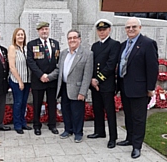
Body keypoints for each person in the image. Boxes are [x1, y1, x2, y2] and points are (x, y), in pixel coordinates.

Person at [117, 17, 158, 158]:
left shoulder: (147, 44)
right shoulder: (123, 45)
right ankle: (129, 138)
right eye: (128, 27)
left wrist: (150, 88)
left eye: (134, 26)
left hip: (140, 89)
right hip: (125, 87)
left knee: (139, 118)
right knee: (128, 115)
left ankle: (137, 146)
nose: (131, 29)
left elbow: (152, 68)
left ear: (140, 28)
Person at [48, 29, 93, 143]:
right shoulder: (63, 53)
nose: (72, 40)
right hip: (64, 87)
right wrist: (48, 76)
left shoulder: (87, 54)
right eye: (69, 38)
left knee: (77, 112)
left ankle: (78, 133)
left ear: (79, 39)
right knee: (66, 110)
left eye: (74, 37)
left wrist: (83, 92)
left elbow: (87, 75)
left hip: (77, 89)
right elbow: (59, 69)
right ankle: (68, 130)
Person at [87, 19, 120, 149]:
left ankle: (113, 137)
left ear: (109, 30)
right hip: (95, 84)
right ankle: (99, 131)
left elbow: (111, 65)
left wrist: (98, 79)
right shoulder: (95, 46)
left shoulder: (114, 44)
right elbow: (92, 64)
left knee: (110, 111)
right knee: (97, 108)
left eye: (104, 30)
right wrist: (92, 80)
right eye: (99, 30)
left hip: (106, 84)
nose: (101, 32)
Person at [27, 21, 60, 136]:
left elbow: (57, 61)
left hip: (52, 80)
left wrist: (50, 76)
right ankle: (37, 125)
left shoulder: (55, 44)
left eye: (46, 29)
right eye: (42, 29)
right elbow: (31, 62)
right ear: (38, 31)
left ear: (49, 30)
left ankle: (52, 125)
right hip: (38, 80)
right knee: (37, 103)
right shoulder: (32, 44)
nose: (44, 31)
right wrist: (41, 75)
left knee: (52, 103)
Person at [8, 28, 32, 134]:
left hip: (27, 80)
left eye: (22, 34)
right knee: (18, 102)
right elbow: (12, 67)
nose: (20, 36)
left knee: (24, 103)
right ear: (15, 36)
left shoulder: (26, 48)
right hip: (17, 80)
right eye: (18, 35)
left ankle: (23, 122)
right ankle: (17, 125)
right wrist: (20, 81)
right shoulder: (12, 48)